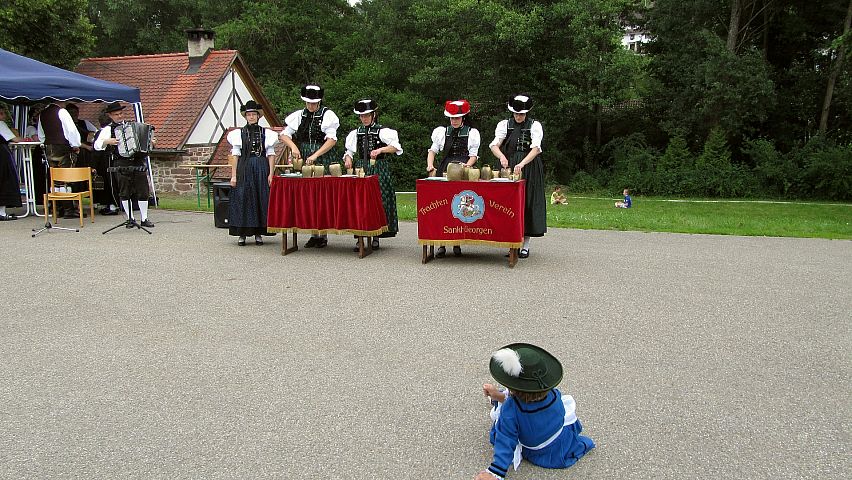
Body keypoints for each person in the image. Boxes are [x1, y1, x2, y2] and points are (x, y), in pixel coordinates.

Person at [475, 343, 595, 480]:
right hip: (558, 439)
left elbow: (506, 439)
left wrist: (496, 472)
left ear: (512, 387)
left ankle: (499, 397)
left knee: (499, 428)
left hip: (538, 449)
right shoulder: (554, 394)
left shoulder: (511, 409)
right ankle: (498, 396)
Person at [278, 84, 340, 248]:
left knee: (323, 196)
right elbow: (284, 135)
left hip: (323, 157)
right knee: (308, 196)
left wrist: (316, 154)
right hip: (304, 157)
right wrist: (294, 147)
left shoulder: (327, 115)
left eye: (314, 103)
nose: (311, 106)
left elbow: (332, 140)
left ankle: (323, 234)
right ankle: (314, 233)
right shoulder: (299, 115)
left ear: (319, 102)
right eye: (308, 103)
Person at [489, 94, 546, 259]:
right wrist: (501, 156)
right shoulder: (504, 125)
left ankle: (525, 246)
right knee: (507, 205)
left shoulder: (534, 126)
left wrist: (522, 164)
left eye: (521, 114)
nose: (518, 117)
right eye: (516, 114)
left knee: (526, 203)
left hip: (529, 167)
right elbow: (494, 145)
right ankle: (511, 244)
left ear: (526, 113)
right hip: (507, 166)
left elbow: (536, 149)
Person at [343, 99, 403, 250]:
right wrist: (348, 158)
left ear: (374, 115)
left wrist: (381, 150)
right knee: (359, 203)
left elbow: (396, 147)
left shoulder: (382, 131)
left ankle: (376, 236)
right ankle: (360, 237)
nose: (364, 118)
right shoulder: (355, 133)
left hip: (379, 169)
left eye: (367, 116)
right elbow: (349, 151)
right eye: (362, 116)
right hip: (361, 169)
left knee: (378, 201)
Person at [426, 99, 481, 258]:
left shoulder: (472, 133)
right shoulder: (442, 132)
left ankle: (457, 242)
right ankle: (442, 244)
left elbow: (473, 156)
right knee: (443, 206)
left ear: (463, 118)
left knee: (459, 206)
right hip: (445, 169)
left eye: (457, 118)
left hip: (462, 171)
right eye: (451, 118)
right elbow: (432, 150)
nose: (454, 121)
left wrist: (467, 166)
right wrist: (430, 165)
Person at [93, 102, 155, 227]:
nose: (119, 116)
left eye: (121, 113)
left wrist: (151, 142)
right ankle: (130, 218)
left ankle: (144, 218)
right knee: (124, 191)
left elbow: (147, 141)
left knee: (143, 190)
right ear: (110, 115)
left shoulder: (132, 125)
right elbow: (96, 146)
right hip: (120, 161)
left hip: (137, 160)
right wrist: (107, 141)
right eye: (116, 114)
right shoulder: (107, 130)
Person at [226, 100, 278, 246]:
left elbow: (271, 154)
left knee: (260, 198)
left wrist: (271, 174)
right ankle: (242, 234)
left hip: (261, 167)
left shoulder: (266, 133)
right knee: (243, 198)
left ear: (258, 116)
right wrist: (234, 175)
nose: (251, 117)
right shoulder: (238, 134)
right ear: (245, 116)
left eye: (253, 114)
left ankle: (258, 233)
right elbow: (235, 155)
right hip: (245, 167)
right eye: (249, 115)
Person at [38, 101, 81, 218]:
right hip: (62, 147)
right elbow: (71, 130)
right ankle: (69, 209)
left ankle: (57, 208)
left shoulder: (43, 114)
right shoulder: (62, 112)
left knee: (55, 179)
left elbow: (41, 134)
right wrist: (75, 144)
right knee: (66, 178)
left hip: (49, 147)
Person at [0, 105, 23, 221]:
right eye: (2, 113)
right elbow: (16, 139)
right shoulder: (1, 124)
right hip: (2, 154)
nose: (4, 116)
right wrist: (16, 133)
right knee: (5, 180)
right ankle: (2, 213)